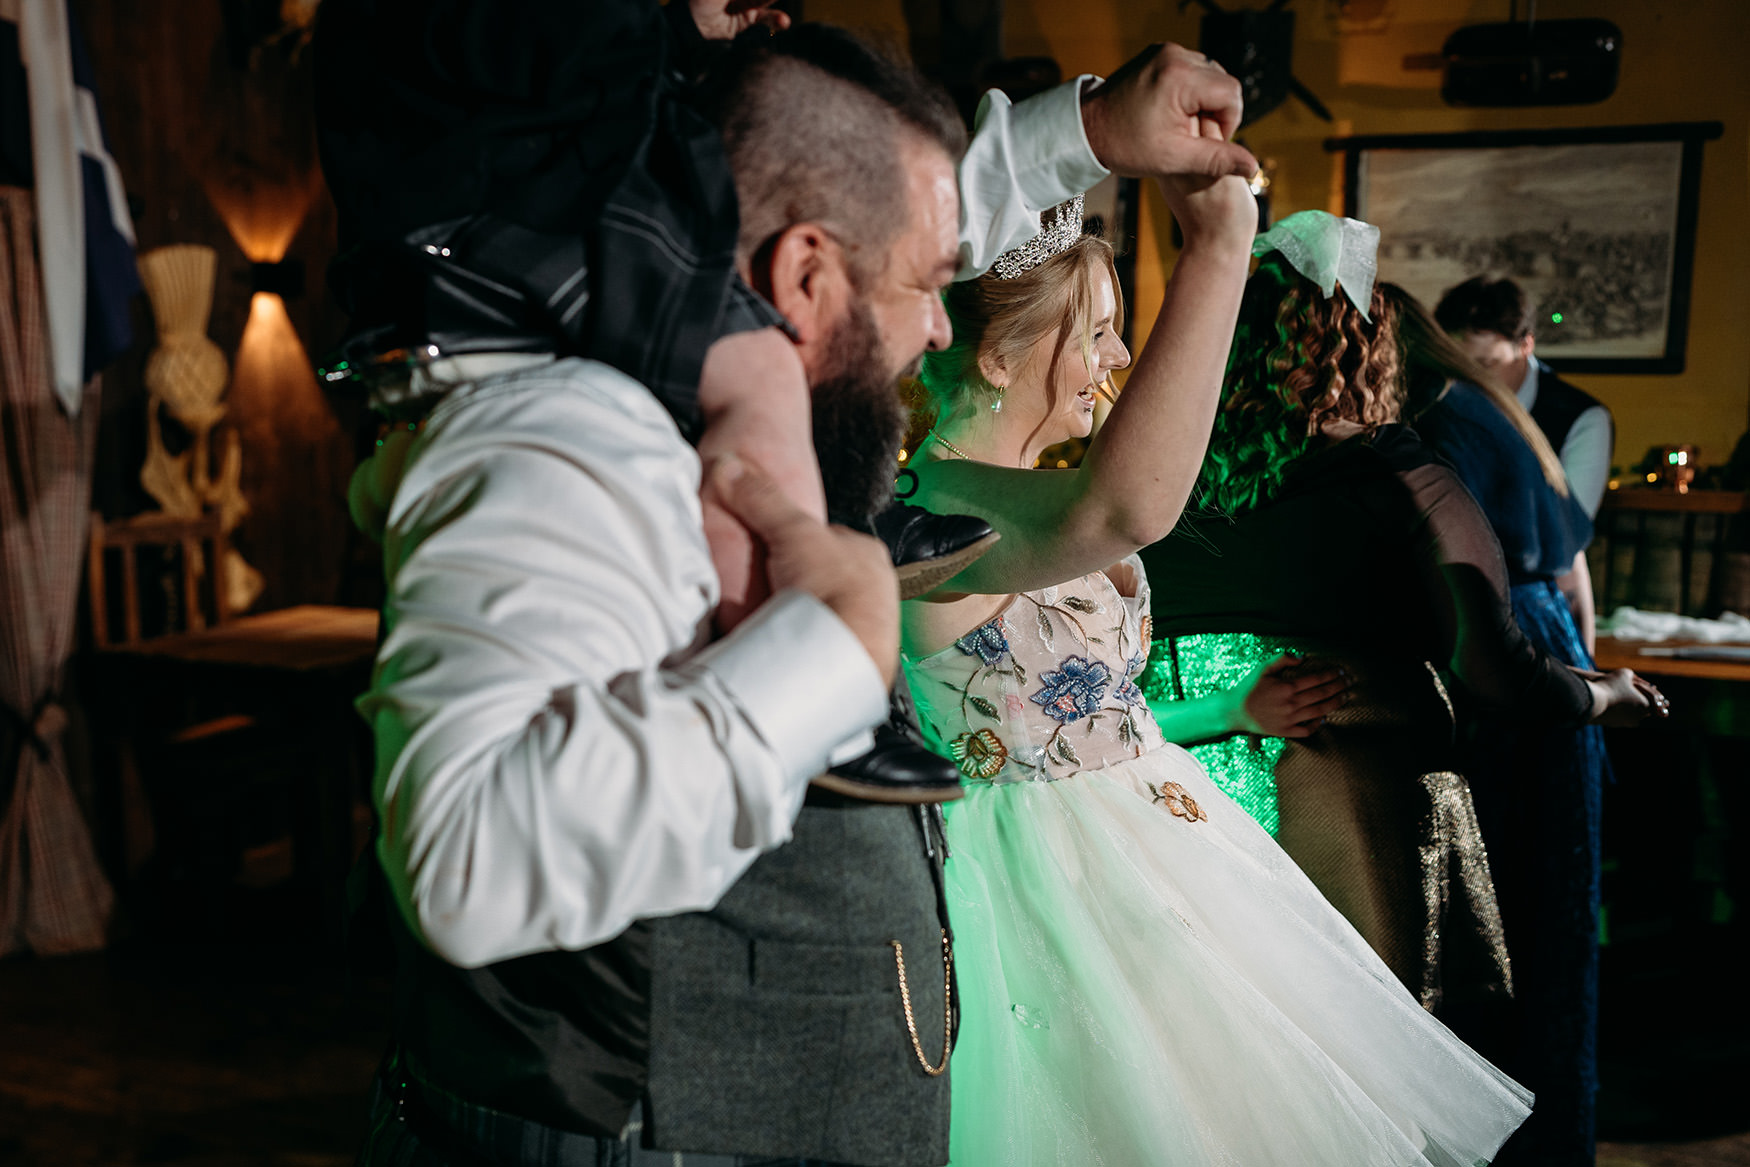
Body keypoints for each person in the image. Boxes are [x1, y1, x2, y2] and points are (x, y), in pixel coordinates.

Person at [322, 8, 1262, 1164]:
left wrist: (1086, 134)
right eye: (926, 284)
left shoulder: (729, 386)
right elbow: (463, 862)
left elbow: (845, 195)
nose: (938, 321)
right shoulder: (562, 438)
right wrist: (826, 648)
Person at [901, 188, 1536, 1159]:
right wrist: (1217, 251)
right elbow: (1119, 517)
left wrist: (1224, 708)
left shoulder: (1036, 489)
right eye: (1101, 333)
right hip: (1043, 878)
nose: (1116, 360)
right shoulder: (937, 504)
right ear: (994, 357)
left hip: (1156, 841)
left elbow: (1093, 719)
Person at [1136, 212, 1662, 1010]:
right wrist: (1604, 694)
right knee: (1355, 1075)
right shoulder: (1397, 474)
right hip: (1339, 798)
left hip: (1176, 791)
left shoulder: (1163, 470)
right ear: (1373, 342)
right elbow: (1493, 668)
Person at [1394, 283, 1629, 1167]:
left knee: (1498, 929)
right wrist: (1588, 673)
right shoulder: (1495, 411)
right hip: (1548, 638)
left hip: (1505, 649)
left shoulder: (1440, 423)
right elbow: (1571, 569)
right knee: (1551, 919)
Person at [1435, 275, 1615, 521]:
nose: (1468, 380)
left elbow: (1570, 529)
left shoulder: (1584, 419)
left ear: (1526, 345)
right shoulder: (1437, 404)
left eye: (1487, 364)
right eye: (1458, 366)